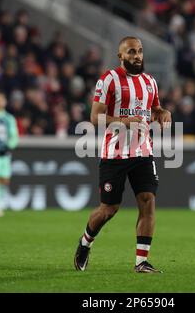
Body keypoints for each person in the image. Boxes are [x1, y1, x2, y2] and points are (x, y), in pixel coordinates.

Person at [74, 36, 171, 273]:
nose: (137, 56)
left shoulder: (150, 82)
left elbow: (155, 109)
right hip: (114, 154)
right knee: (109, 209)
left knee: (148, 200)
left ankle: (141, 262)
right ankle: (86, 242)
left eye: (139, 51)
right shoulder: (109, 80)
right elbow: (95, 117)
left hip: (143, 152)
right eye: (131, 52)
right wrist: (124, 121)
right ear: (120, 56)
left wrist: (163, 112)